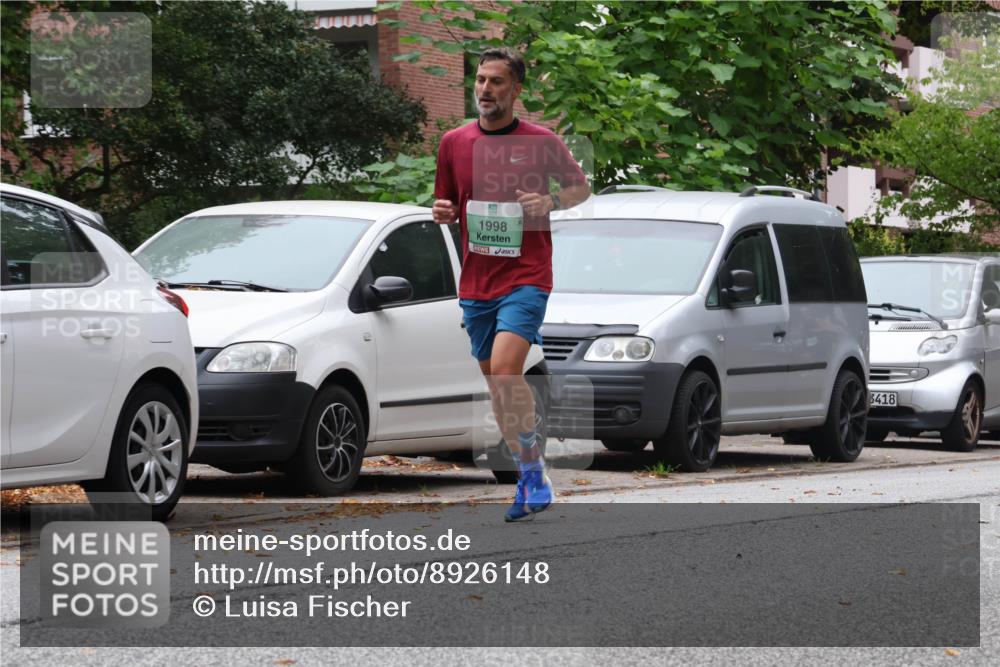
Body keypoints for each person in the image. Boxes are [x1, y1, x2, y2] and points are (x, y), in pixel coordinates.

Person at [432, 47, 591, 522]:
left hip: (527, 276)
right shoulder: (454, 142)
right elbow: (446, 202)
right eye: (480, 80)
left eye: (496, 82)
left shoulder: (541, 141)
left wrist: (550, 201)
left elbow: (579, 188)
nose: (485, 89)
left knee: (505, 370)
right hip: (476, 280)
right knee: (495, 383)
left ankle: (531, 468)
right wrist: (441, 212)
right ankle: (529, 471)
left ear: (515, 90)